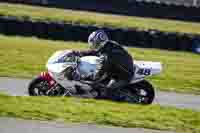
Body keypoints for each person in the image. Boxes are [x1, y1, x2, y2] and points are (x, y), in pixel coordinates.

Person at [68, 30, 135, 98]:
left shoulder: (106, 56)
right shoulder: (108, 45)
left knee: (107, 90)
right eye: (93, 43)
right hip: (116, 68)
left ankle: (120, 100)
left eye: (95, 43)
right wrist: (79, 53)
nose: (93, 45)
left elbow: (98, 74)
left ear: (100, 43)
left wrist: (82, 78)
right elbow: (93, 52)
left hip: (124, 75)